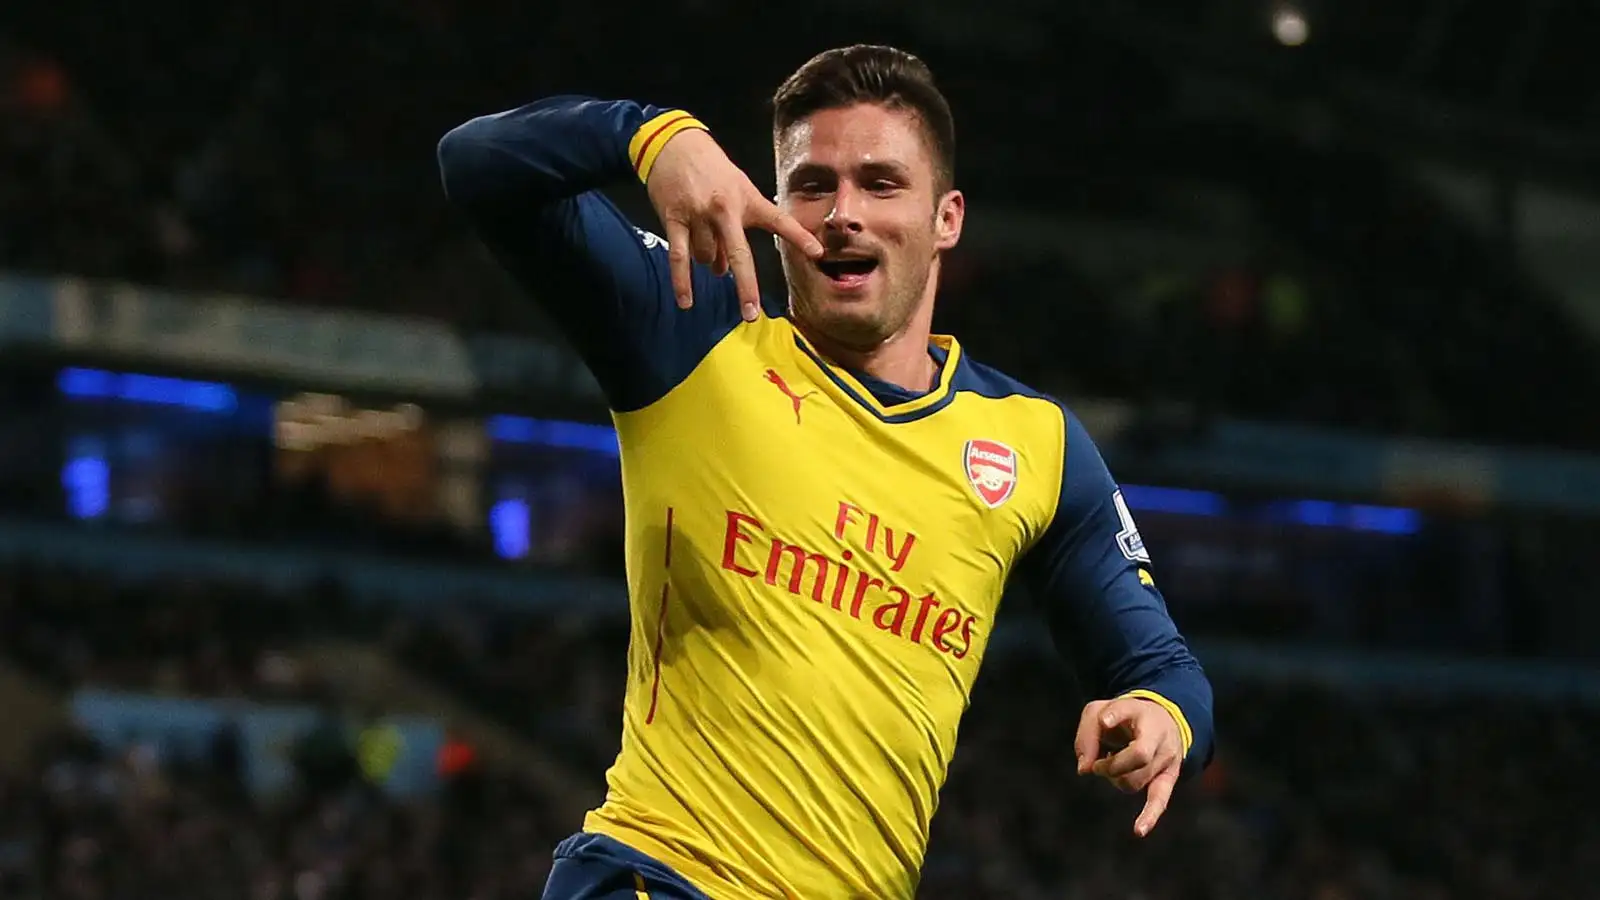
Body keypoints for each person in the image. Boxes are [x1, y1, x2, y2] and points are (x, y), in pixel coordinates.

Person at [438, 44, 1214, 900]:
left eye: (881, 184)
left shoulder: (1036, 445)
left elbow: (1163, 667)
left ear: (946, 217)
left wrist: (1162, 717)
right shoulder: (693, 333)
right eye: (812, 185)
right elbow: (476, 165)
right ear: (772, 205)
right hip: (660, 878)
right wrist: (649, 136)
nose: (842, 213)